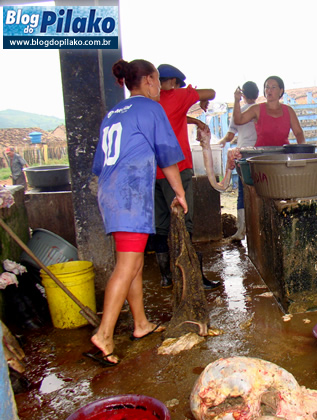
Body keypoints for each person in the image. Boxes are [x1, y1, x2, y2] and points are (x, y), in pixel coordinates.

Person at [87, 58, 188, 366]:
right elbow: (167, 156)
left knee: (134, 263)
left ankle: (141, 324)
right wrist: (180, 192)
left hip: (110, 192)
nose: (159, 87)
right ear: (147, 81)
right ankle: (104, 335)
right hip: (130, 194)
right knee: (126, 266)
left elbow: (99, 164)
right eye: (157, 80)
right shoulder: (150, 109)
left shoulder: (113, 113)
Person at [153, 63, 220, 290]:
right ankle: (191, 277)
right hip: (176, 170)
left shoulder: (151, 102)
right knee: (184, 222)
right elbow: (211, 92)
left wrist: (194, 120)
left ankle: (166, 277)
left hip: (153, 172)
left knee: (161, 225)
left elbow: (173, 115)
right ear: (173, 82)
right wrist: (197, 98)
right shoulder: (177, 96)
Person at [218, 81, 259, 241]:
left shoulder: (239, 112)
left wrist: (220, 142)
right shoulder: (261, 110)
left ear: (243, 95)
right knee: (261, 190)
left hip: (243, 155)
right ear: (257, 94)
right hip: (260, 155)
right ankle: (257, 229)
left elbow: (229, 136)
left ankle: (241, 230)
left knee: (243, 191)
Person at [233, 75, 305, 147]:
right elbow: (238, 120)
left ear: (281, 91)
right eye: (267, 87)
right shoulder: (256, 109)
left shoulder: (289, 111)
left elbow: (299, 133)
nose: (269, 90)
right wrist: (236, 100)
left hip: (283, 153)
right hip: (262, 153)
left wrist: (302, 149)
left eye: (273, 87)